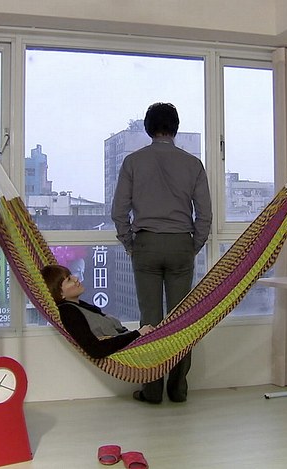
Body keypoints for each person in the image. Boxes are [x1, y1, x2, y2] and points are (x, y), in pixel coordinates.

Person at [111, 102, 213, 404]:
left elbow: (119, 212)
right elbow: (204, 215)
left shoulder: (133, 162)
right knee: (181, 322)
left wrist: (130, 243)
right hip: (181, 244)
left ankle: (152, 389)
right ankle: (178, 389)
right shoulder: (193, 164)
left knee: (150, 320)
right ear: (175, 128)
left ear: (148, 128)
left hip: (146, 244)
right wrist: (193, 245)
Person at [41, 264, 154, 359]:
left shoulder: (79, 306)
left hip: (133, 344)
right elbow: (95, 349)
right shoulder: (68, 312)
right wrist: (138, 334)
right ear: (60, 293)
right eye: (69, 280)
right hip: (130, 351)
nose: (76, 278)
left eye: (71, 275)